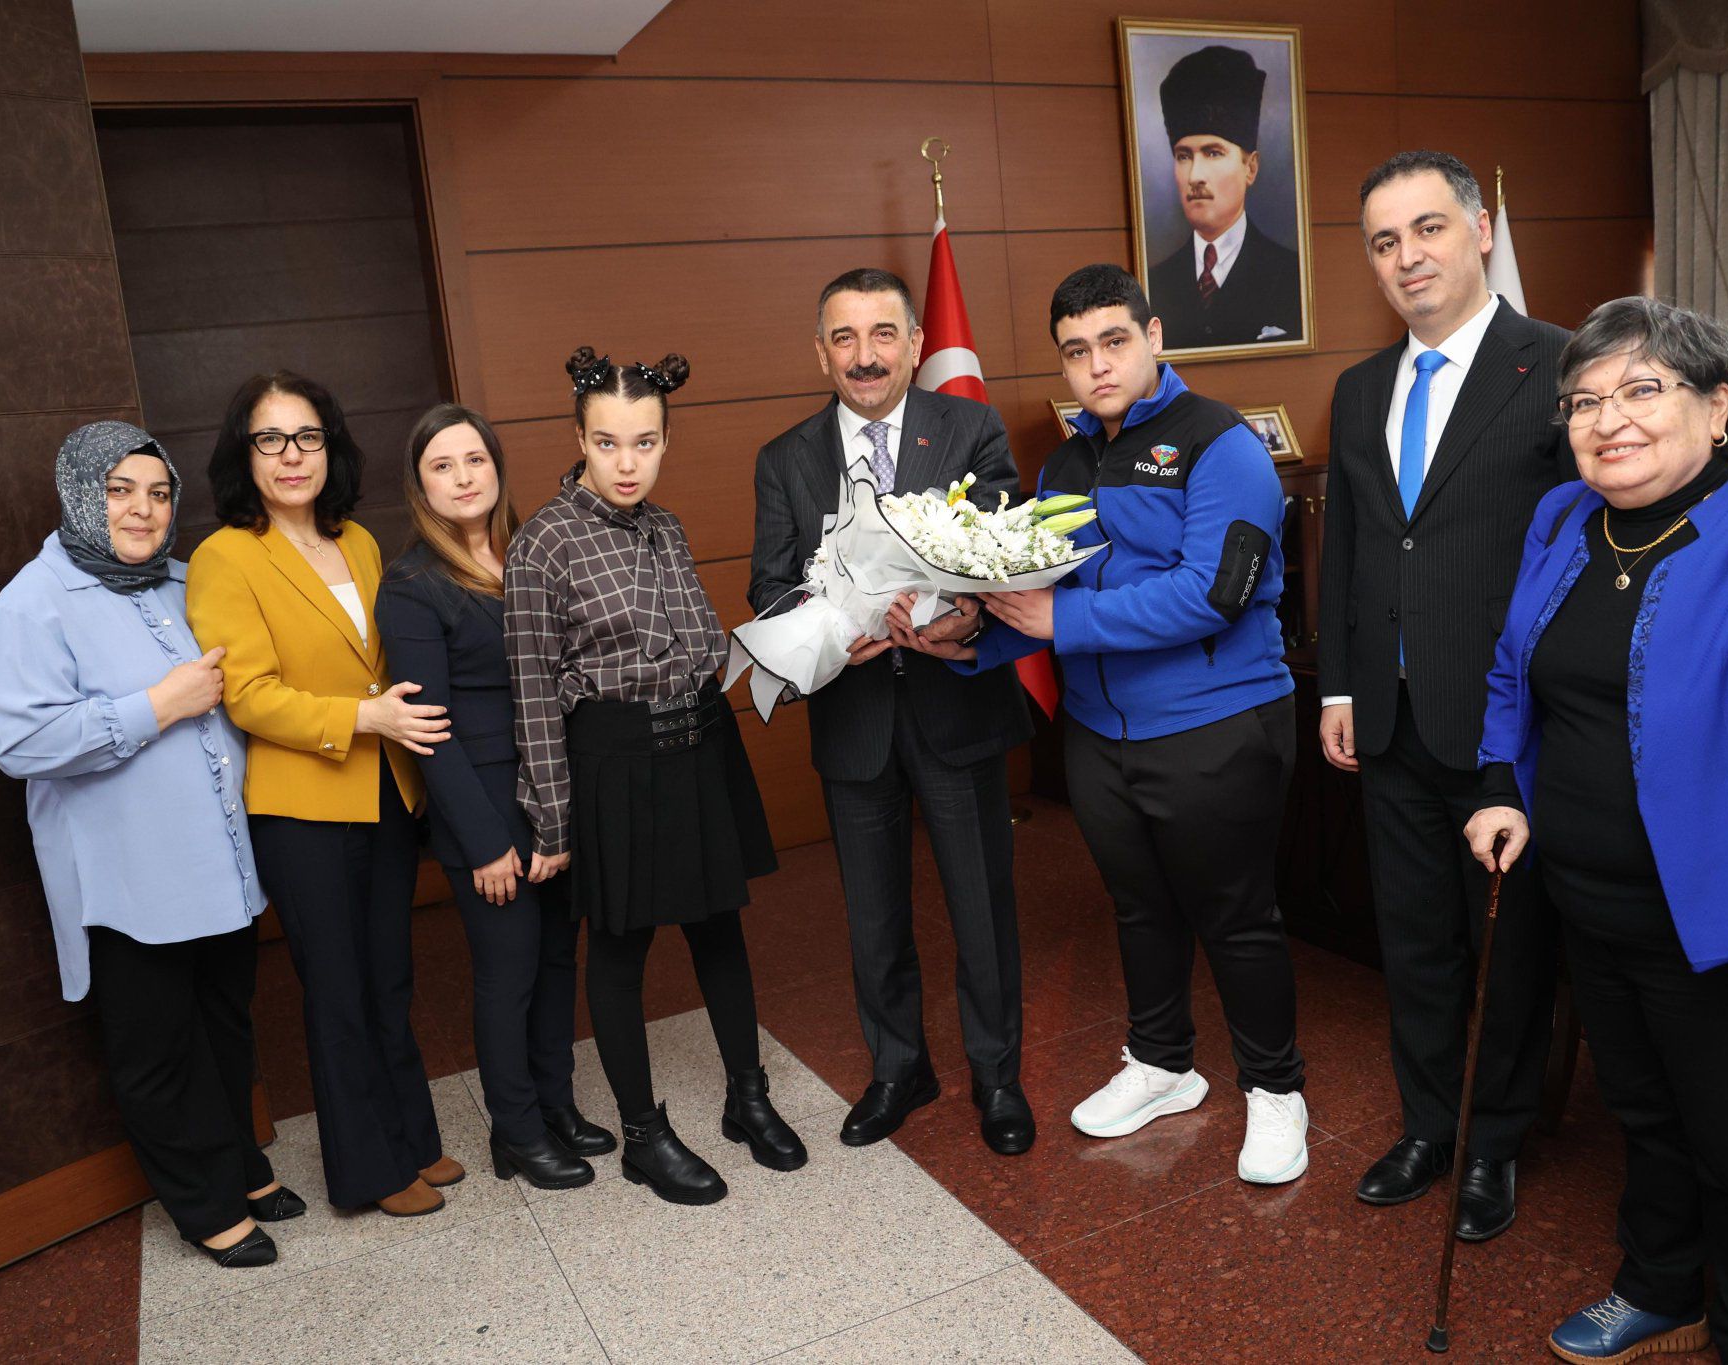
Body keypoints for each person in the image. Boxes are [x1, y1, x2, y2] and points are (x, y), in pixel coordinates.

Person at [1464, 297, 1728, 1364]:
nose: (1609, 420)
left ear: (1717, 406)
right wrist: (1499, 783)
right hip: (1586, 897)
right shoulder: (1560, 519)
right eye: (1584, 400)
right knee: (1640, 1113)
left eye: (1642, 390)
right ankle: (1660, 1287)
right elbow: (1511, 672)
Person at [915, 264, 1310, 1183]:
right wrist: (965, 639)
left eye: (1114, 341)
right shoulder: (1065, 462)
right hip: (1099, 732)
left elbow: (1214, 594)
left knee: (1237, 918)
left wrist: (1063, 619)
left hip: (1216, 722)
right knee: (1139, 907)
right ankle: (1164, 1063)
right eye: (1075, 350)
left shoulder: (1223, 444)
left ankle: (1276, 1087)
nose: (1096, 365)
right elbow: (1041, 596)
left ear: (1154, 336)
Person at [1318, 150, 1572, 1240]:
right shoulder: (1359, 388)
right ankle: (1428, 1125)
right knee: (1414, 941)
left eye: (1427, 228)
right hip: (1387, 721)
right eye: (1384, 241)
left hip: (1507, 728)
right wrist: (1336, 684)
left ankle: (1494, 1141)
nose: (1406, 257)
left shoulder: (1558, 366)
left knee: (1505, 950)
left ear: (1479, 230)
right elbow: (1350, 548)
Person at [0, 420, 299, 1269]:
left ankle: (242, 1165)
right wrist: (159, 705)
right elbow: (21, 743)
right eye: (119, 490)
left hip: (221, 863)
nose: (142, 509)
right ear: (80, 494)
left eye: (158, 493)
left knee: (225, 1026)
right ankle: (205, 1204)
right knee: (157, 1051)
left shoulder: (185, 582)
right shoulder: (32, 603)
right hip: (129, 880)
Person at [748, 268, 1037, 1156]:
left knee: (981, 906)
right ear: (821, 353)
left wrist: (966, 616)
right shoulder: (785, 458)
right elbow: (768, 587)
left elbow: (1003, 549)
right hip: (854, 713)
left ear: (915, 343)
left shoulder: (970, 427)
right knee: (872, 916)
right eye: (845, 337)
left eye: (883, 334)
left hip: (956, 704)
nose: (865, 356)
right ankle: (898, 1068)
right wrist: (829, 635)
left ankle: (998, 1075)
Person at [507, 348, 805, 1206]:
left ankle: (748, 1097)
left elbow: (699, 640)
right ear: (579, 439)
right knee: (620, 945)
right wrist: (553, 820)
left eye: (644, 442)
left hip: (700, 744)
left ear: (666, 441)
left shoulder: (666, 527)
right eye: (607, 443)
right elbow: (532, 692)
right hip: (616, 758)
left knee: (720, 927)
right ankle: (643, 1135)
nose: (627, 462)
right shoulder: (542, 544)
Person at [186, 372, 459, 1218]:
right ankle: (367, 1169)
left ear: (330, 446)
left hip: (385, 790)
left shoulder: (360, 541)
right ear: (243, 454)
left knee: (389, 978)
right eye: (270, 439)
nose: (291, 455)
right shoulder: (226, 556)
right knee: (339, 988)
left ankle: (412, 1137)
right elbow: (248, 695)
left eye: (307, 436)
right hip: (303, 805)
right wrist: (364, 716)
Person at [376, 403, 611, 1191]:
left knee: (556, 958)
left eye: (474, 459)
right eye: (441, 466)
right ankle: (516, 1130)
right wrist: (482, 842)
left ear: (496, 466)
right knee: (508, 972)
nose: (463, 477)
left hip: (554, 790)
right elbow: (427, 731)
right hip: (483, 804)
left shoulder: (532, 551)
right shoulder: (413, 585)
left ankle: (556, 1106)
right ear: (420, 486)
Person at [1146, 44, 1303, 351]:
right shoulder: (1155, 283)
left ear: (1250, 168)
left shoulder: (1291, 276)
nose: (1195, 176)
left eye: (1213, 153)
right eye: (1183, 156)